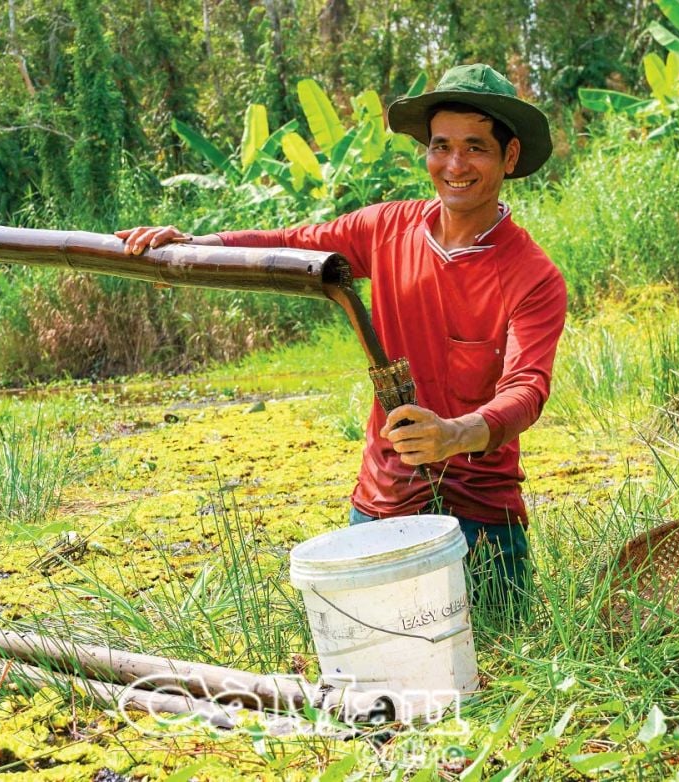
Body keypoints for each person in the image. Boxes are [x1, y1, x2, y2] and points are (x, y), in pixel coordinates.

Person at [117, 64, 567, 614]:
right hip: (384, 504)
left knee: (500, 670)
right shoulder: (387, 228)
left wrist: (455, 433)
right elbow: (291, 244)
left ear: (510, 156)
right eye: (441, 145)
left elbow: (526, 391)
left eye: (475, 148)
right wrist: (193, 244)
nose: (454, 165)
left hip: (481, 520)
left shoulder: (532, 275)